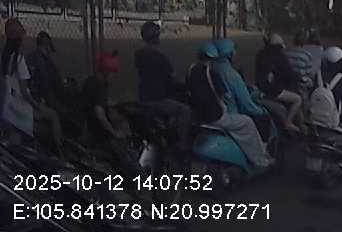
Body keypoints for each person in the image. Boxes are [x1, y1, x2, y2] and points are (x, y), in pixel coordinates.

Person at [187, 43, 272, 170]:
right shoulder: (217, 73)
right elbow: (228, 96)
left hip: (198, 116)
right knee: (247, 122)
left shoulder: (191, 69)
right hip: (216, 116)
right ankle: (259, 159)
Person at [3, 19, 64, 157]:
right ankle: (60, 154)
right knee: (53, 115)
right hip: (21, 108)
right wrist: (37, 106)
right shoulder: (19, 60)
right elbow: (25, 92)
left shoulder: (6, 57)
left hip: (9, 106)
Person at [134, 21, 193, 149]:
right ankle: (181, 144)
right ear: (155, 37)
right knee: (185, 110)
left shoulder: (139, 55)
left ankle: (168, 132)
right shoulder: (160, 58)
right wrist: (186, 85)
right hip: (157, 99)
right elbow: (172, 79)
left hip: (144, 95)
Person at [209, 38, 273, 143]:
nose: (236, 54)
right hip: (231, 113)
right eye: (234, 51)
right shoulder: (231, 74)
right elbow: (247, 105)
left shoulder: (212, 68)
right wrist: (261, 111)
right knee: (263, 117)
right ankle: (262, 150)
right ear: (229, 54)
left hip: (217, 112)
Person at [80, 52, 135, 172]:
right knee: (129, 160)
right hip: (98, 132)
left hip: (87, 126)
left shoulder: (90, 81)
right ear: (106, 72)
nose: (114, 77)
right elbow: (100, 114)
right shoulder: (100, 86)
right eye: (113, 73)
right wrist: (114, 133)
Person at [254, 34, 302, 135]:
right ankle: (288, 123)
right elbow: (289, 74)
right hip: (274, 91)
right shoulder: (280, 57)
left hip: (261, 88)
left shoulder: (260, 54)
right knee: (298, 99)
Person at [286, 32, 317, 97]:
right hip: (300, 82)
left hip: (287, 80)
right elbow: (309, 73)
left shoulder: (287, 52)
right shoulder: (307, 55)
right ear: (304, 42)